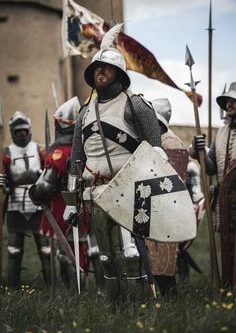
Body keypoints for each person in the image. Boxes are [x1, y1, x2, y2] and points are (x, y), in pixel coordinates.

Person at [65, 46, 162, 302]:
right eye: (96, 67)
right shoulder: (85, 113)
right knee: (107, 257)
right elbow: (77, 159)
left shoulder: (136, 105)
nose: (100, 70)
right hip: (94, 192)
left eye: (106, 67)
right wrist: (70, 201)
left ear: (119, 73)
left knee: (131, 255)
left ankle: (139, 307)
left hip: (128, 189)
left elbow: (155, 152)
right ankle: (114, 310)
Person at [29, 97, 89, 291]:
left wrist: (35, 193)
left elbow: (46, 185)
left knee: (66, 251)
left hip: (63, 206)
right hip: (85, 205)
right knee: (86, 247)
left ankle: (75, 290)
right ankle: (94, 288)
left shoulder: (59, 152)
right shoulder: (86, 148)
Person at [191, 81, 236, 290]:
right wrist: (199, 151)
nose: (229, 104)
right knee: (227, 244)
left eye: (233, 100)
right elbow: (210, 168)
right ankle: (228, 287)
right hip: (226, 199)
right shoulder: (221, 132)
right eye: (227, 101)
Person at [1, 111, 51, 289]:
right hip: (15, 203)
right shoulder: (6, 152)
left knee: (46, 250)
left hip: (38, 203)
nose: (21, 134)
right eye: (18, 131)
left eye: (24, 130)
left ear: (28, 130)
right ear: (13, 131)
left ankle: (51, 287)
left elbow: (49, 172)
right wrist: (4, 185)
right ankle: (14, 288)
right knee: (14, 250)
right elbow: (3, 176)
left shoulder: (40, 149)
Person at [145, 98, 188, 296]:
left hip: (167, 211)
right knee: (149, 260)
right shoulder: (149, 141)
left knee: (164, 261)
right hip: (148, 208)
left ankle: (170, 301)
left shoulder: (172, 143)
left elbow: (174, 183)